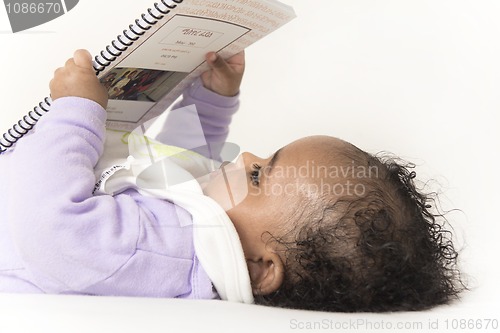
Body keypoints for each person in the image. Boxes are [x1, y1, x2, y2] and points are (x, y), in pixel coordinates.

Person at [0, 49, 463, 312]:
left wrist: (75, 115)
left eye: (260, 175)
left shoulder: (168, 247)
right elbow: (182, 166)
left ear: (262, 268)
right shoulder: (205, 246)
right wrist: (215, 98)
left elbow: (50, 228)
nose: (247, 156)